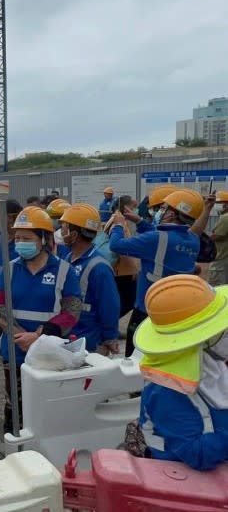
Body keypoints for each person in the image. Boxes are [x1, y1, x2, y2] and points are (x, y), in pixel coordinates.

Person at [0, 206, 82, 433]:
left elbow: (72, 310)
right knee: (15, 406)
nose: (20, 242)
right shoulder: (10, 269)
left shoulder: (64, 270)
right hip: (14, 351)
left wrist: (38, 336)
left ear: (44, 239)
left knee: (47, 405)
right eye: (17, 237)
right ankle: (13, 450)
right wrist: (20, 336)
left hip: (49, 353)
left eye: (27, 238)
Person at [132, 274, 228, 471]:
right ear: (197, 341)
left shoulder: (210, 365)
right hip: (182, 481)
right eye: (222, 330)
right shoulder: (166, 389)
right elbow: (196, 453)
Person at [110, 189, 201, 357]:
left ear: (172, 215)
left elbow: (116, 245)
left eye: (164, 208)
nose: (160, 211)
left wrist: (117, 225)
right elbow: (161, 236)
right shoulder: (193, 240)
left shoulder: (156, 239)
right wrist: (139, 221)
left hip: (147, 310)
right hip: (175, 310)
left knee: (135, 357)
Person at [59, 204, 121, 353]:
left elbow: (110, 306)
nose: (61, 231)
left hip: (90, 343)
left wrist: (110, 337)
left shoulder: (99, 267)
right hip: (70, 336)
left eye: (64, 227)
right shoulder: (69, 257)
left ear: (74, 235)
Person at [209, 191, 228, 286]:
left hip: (221, 260)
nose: (216, 206)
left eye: (218, 203)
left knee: (216, 288)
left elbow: (217, 236)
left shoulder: (225, 217)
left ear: (225, 204)